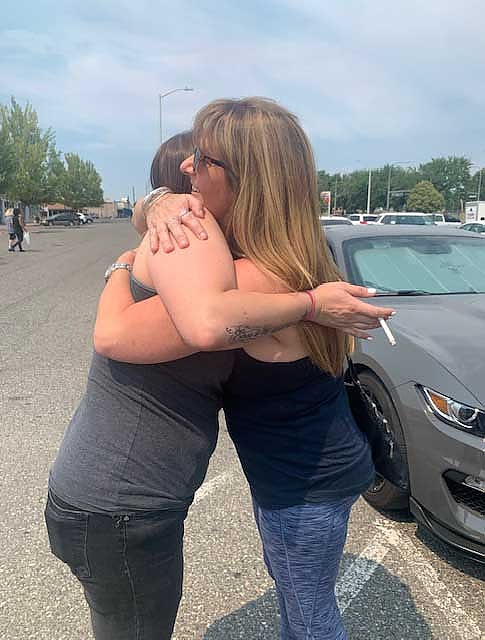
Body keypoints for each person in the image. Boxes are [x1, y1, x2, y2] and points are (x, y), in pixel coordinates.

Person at [45, 126, 392, 640]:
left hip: (288, 481)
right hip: (124, 502)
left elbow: (125, 331)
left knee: (307, 614)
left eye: (202, 162)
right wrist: (150, 215)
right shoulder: (214, 262)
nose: (190, 170)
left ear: (246, 183)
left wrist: (126, 256)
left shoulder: (247, 276)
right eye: (186, 165)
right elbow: (119, 333)